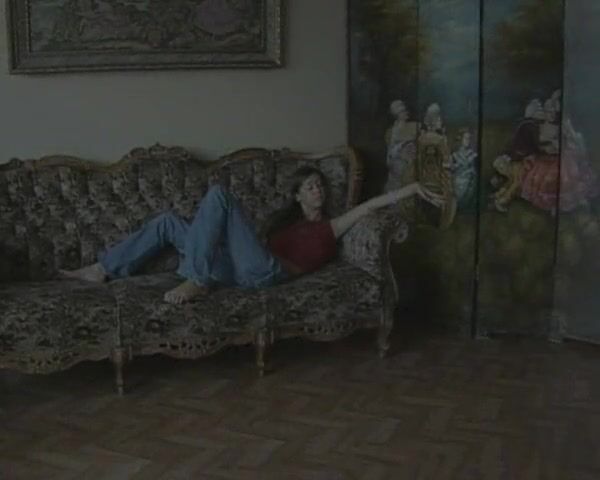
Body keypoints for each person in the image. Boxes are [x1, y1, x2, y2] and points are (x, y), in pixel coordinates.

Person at [60, 167, 443, 304]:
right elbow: (245, 244)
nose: (318, 191)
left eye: (320, 186)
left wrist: (411, 188)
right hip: (244, 265)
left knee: (219, 195)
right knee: (166, 222)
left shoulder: (331, 226)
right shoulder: (284, 223)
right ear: (297, 196)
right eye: (310, 187)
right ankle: (102, 269)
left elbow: (371, 204)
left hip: (269, 273)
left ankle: (197, 278)